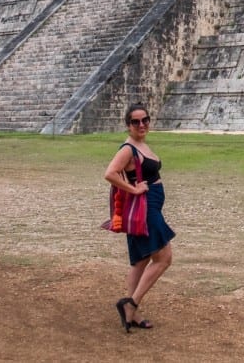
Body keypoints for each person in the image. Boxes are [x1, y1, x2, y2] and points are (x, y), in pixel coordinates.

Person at [104, 102, 175, 332]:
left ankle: (131, 313)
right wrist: (133, 189)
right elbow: (110, 173)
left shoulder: (141, 144)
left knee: (141, 260)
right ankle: (130, 304)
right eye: (136, 121)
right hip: (146, 209)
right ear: (128, 125)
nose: (142, 124)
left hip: (149, 206)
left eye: (145, 119)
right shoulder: (128, 148)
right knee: (164, 258)